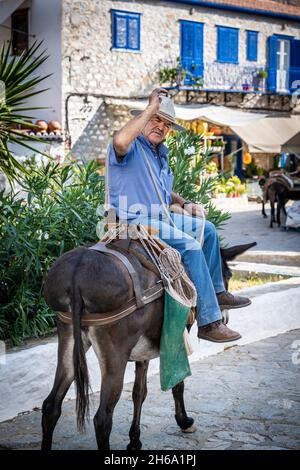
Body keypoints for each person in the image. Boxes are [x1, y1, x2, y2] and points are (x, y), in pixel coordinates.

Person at [107, 88, 251, 343]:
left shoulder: (159, 154)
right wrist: (151, 106)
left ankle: (216, 291)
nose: (161, 126)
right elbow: (119, 141)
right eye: (156, 119)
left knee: (206, 230)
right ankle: (209, 322)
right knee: (191, 247)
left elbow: (162, 190)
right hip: (134, 221)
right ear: (145, 118)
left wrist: (185, 202)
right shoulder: (129, 147)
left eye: (167, 123)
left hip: (161, 218)